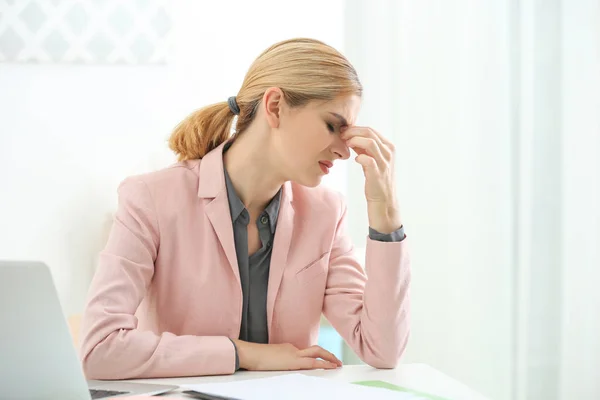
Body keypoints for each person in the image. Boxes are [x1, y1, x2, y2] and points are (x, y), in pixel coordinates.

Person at [79, 38, 410, 380]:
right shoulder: (150, 198)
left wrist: (386, 211)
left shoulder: (326, 211)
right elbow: (100, 348)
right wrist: (244, 354)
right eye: (332, 126)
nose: (345, 151)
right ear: (276, 106)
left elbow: (382, 349)